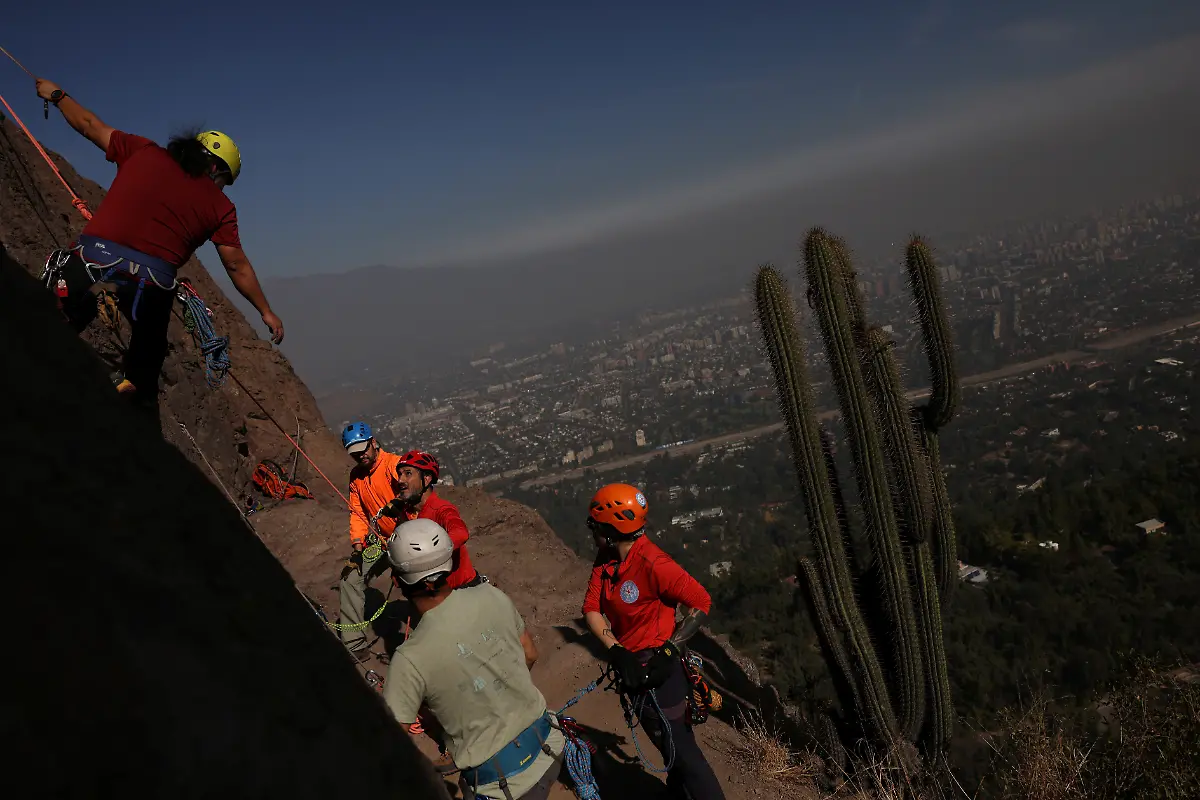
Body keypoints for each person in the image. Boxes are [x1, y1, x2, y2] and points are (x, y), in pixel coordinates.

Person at [33, 77, 284, 401]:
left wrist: (57, 95)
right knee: (144, 364)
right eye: (224, 179)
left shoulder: (143, 151)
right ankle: (132, 384)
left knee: (52, 308)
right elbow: (236, 264)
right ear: (214, 167)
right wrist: (265, 310)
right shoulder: (221, 206)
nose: (222, 187)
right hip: (150, 288)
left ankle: (55, 334)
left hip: (93, 262)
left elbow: (89, 124)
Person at [382, 518, 564, 800]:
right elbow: (530, 654)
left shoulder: (409, 659)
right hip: (550, 745)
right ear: (449, 564)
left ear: (397, 580)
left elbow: (392, 742)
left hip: (500, 786)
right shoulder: (491, 594)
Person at [581, 483, 726, 800]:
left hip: (661, 670)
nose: (592, 531)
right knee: (668, 747)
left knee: (684, 753)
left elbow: (700, 601)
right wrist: (616, 651)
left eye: (595, 525)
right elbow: (591, 608)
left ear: (611, 527)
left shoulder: (653, 563)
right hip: (634, 667)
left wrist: (670, 649)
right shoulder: (606, 560)